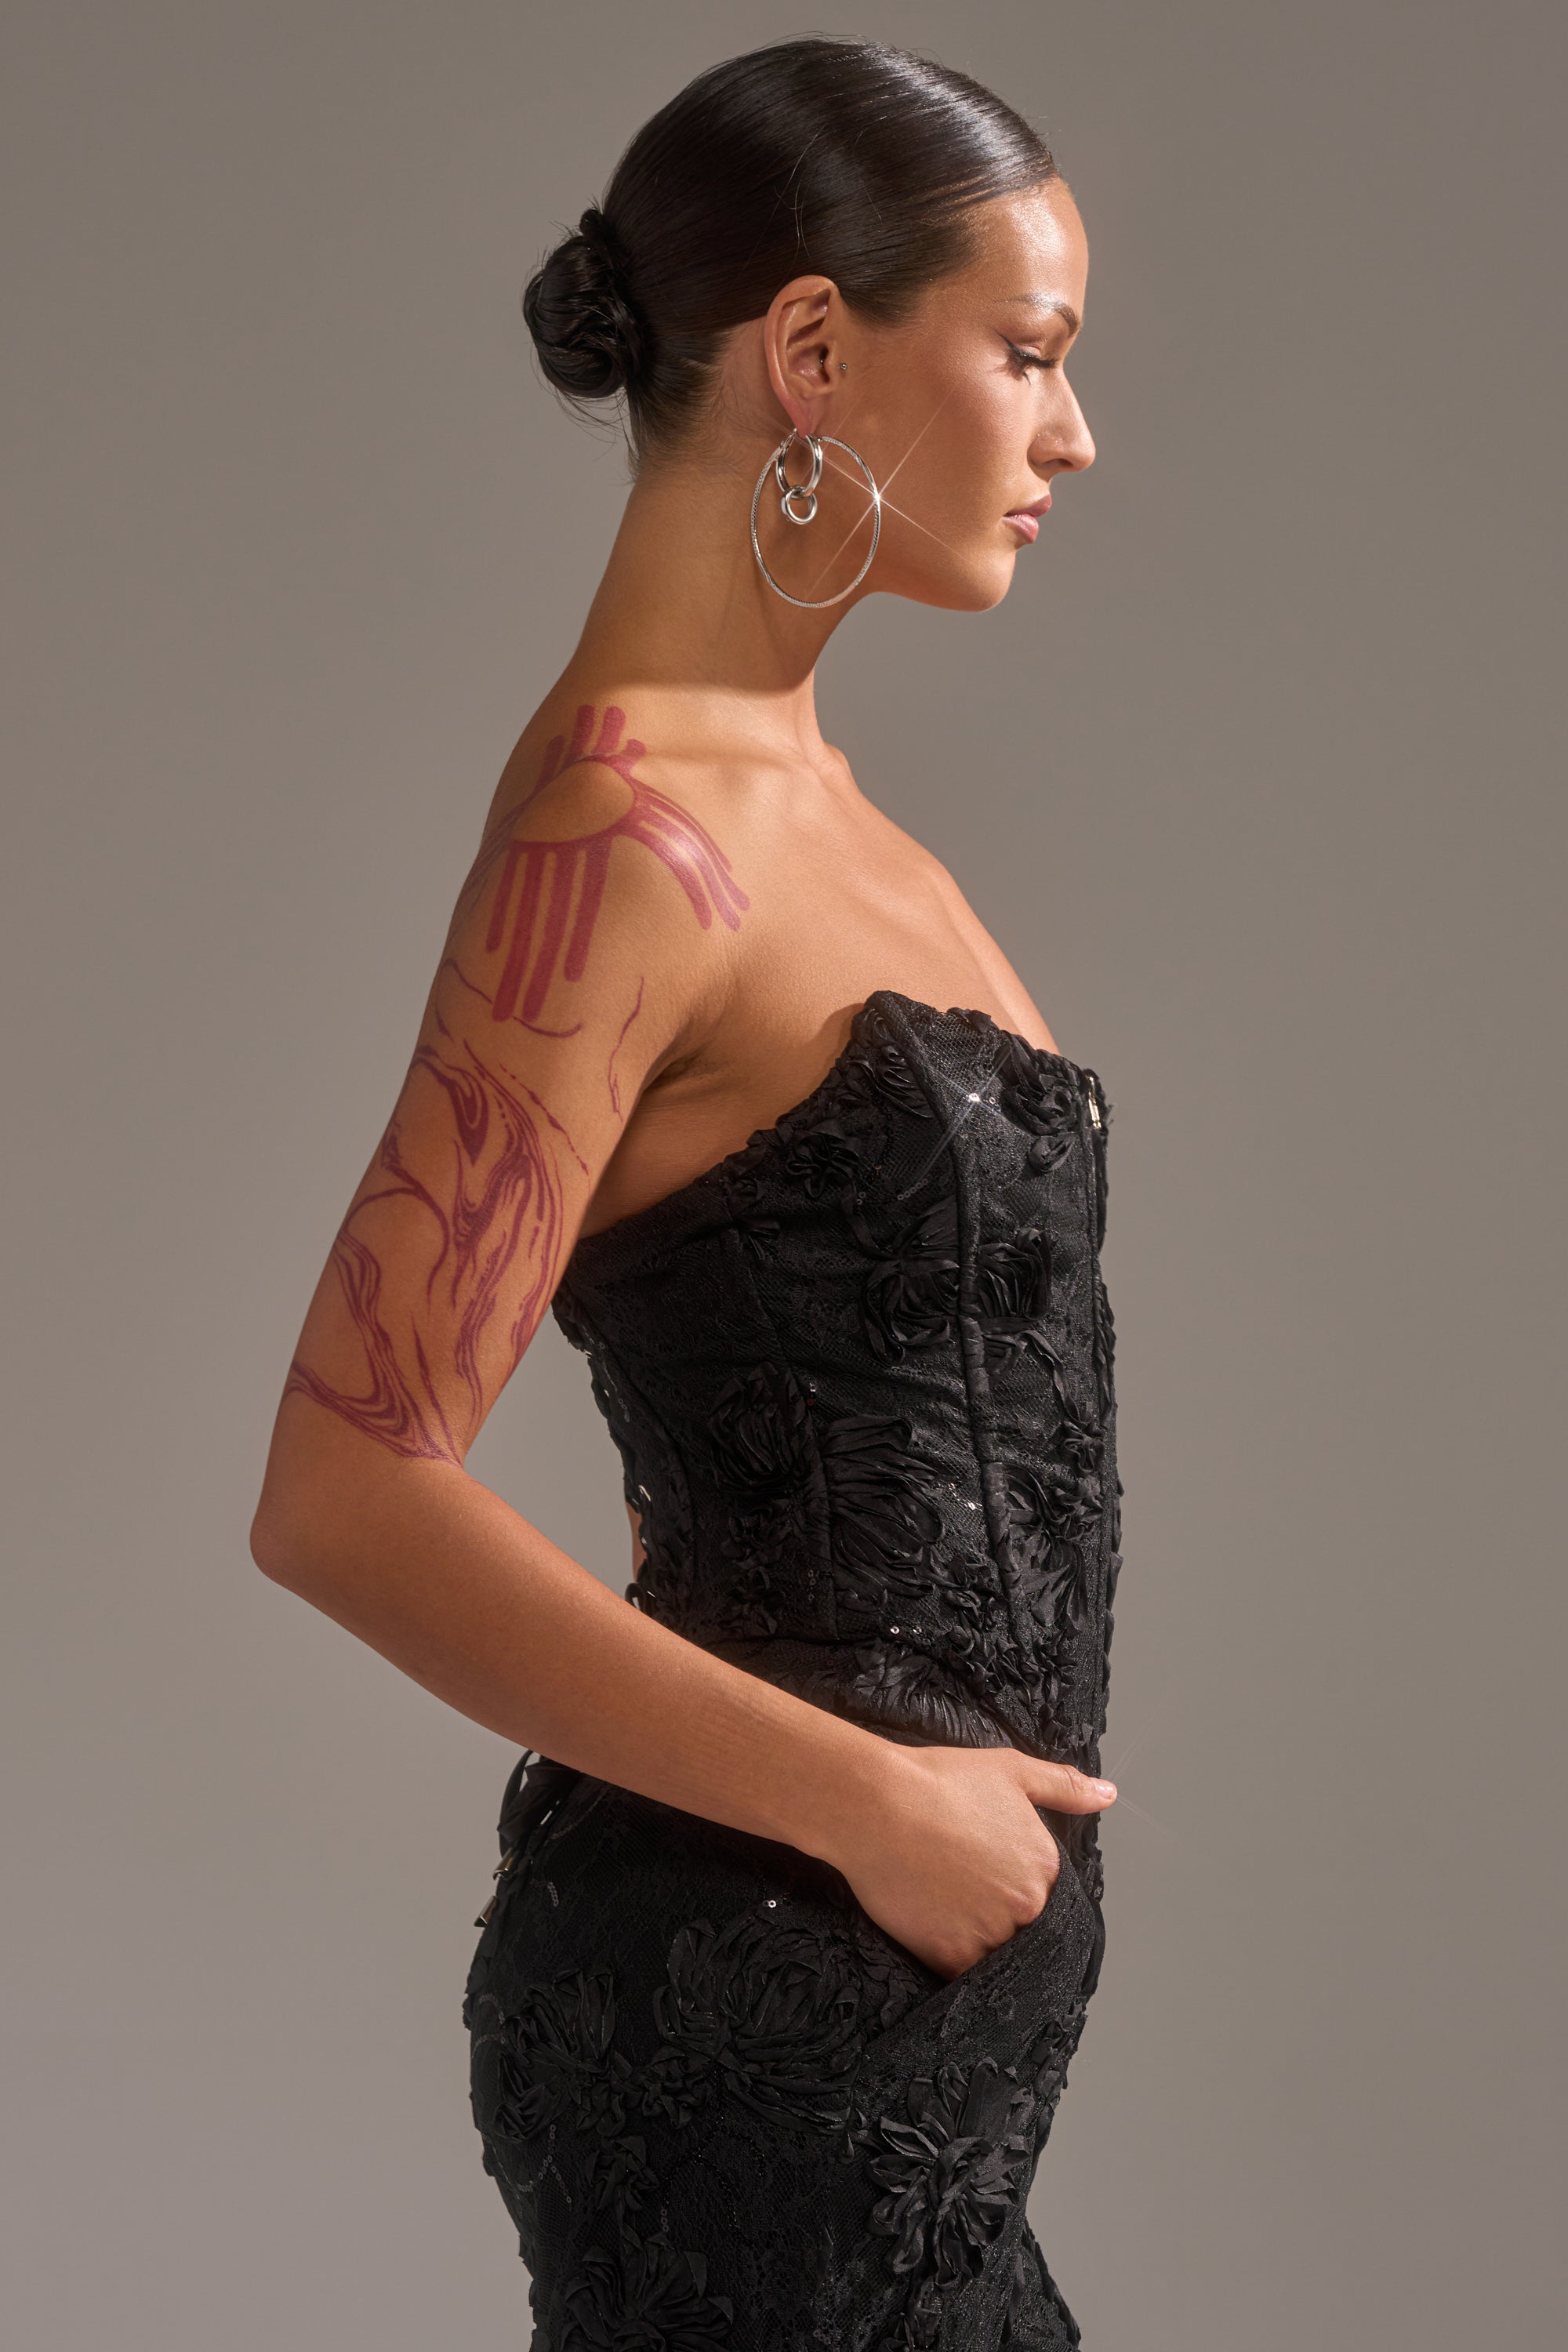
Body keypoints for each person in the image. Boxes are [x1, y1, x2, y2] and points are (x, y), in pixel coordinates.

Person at [252, 33, 1123, 2350]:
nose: (1073, 435)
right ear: (817, 350)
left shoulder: (822, 816)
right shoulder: (622, 829)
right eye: (1027, 354)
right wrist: (870, 1804)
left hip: (891, 2061)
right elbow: (343, 1488)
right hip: (758, 2028)